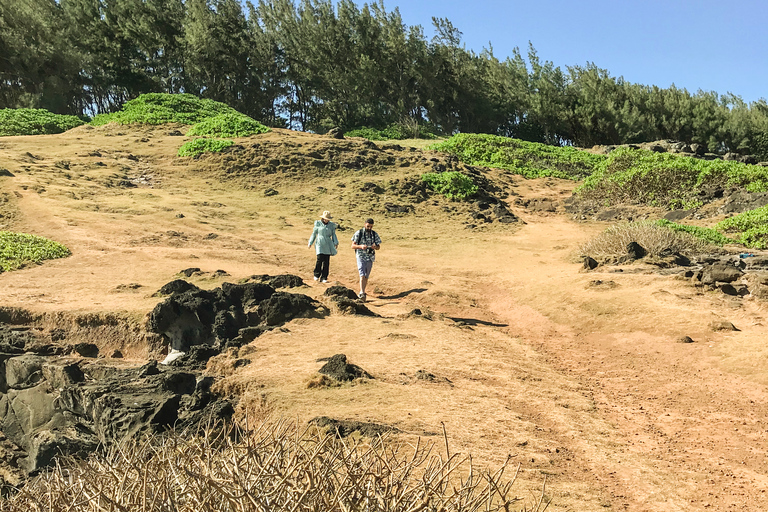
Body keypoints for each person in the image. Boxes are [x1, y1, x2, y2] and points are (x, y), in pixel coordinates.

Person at [351, 218, 381, 302]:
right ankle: (362, 292)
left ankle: (363, 291)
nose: (369, 228)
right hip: (360, 256)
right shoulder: (359, 233)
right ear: (365, 224)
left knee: (366, 276)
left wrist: (375, 247)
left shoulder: (374, 234)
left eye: (371, 227)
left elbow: (379, 246)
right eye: (368, 226)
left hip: (370, 257)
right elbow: (352, 246)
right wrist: (360, 246)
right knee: (362, 274)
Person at [308, 210, 339, 283]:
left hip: (328, 243)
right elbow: (314, 233)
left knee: (326, 261)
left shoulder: (331, 225)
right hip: (319, 242)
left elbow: (333, 234)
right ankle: (316, 275)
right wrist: (310, 242)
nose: (327, 220)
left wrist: (335, 242)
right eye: (326, 219)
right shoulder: (318, 224)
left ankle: (324, 277)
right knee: (319, 259)